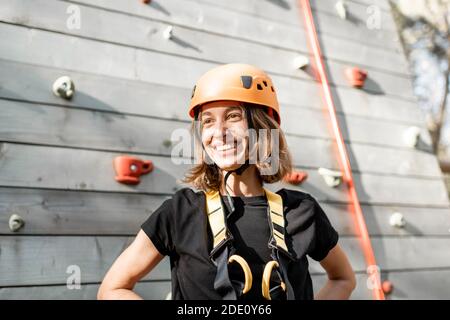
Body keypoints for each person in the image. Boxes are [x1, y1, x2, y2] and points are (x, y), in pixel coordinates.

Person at [97, 64, 356, 300]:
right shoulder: (180, 212)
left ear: (262, 126)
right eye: (208, 121)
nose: (218, 133)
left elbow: (343, 279)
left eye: (233, 117)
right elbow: (113, 289)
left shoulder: (301, 211)